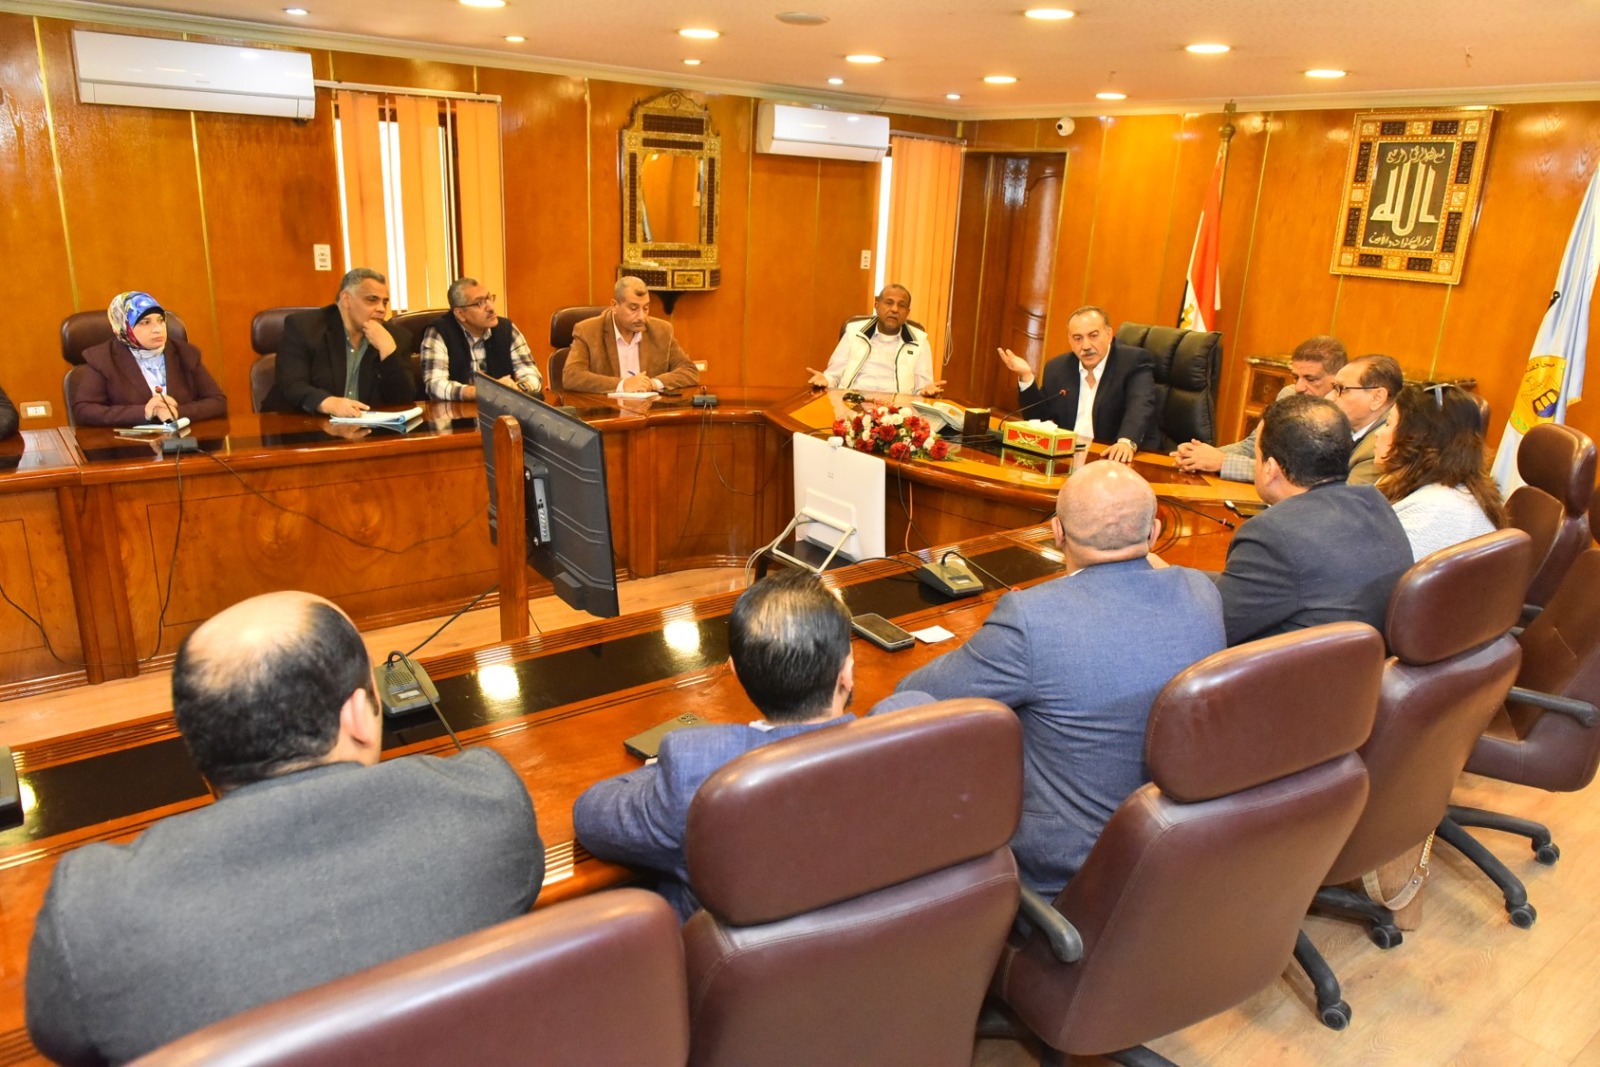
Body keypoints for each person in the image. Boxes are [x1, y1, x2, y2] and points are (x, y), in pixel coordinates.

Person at [25, 591, 544, 1064]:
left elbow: (63, 1037)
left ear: (200, 750)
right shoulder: (487, 808)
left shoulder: (92, 913)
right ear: (358, 716)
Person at [892, 463, 1225, 897]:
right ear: (1154, 532)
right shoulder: (1201, 591)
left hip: (1068, 876)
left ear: (1057, 532)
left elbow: (921, 695)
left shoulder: (1032, 618)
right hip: (1179, 854)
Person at [574, 569, 859, 920]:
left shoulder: (695, 770)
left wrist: (658, 774)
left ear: (736, 672)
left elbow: (590, 815)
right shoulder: (909, 738)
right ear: (847, 673)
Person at [1213, 394, 1413, 646]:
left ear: (1270, 468)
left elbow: (1211, 628)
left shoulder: (1273, 534)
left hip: (1283, 668)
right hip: (1360, 664)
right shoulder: (1375, 504)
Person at [996, 305, 1158, 463]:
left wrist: (1126, 442)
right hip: (1068, 457)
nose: (1085, 346)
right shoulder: (1057, 368)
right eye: (1078, 338)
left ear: (1109, 335)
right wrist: (1026, 376)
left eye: (1093, 335)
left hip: (1113, 457)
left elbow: (1140, 405)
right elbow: (1038, 418)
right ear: (1070, 340)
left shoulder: (1133, 361)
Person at [1173, 335, 1347, 480]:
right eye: (1296, 377)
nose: (1299, 387)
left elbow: (1300, 476)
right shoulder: (1289, 395)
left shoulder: (1346, 416)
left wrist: (1223, 462)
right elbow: (1254, 446)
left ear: (1338, 379)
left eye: (1311, 379)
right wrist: (1199, 456)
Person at [1374, 384, 1508, 560]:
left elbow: (1373, 568)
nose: (1378, 433)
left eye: (1388, 423)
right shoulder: (1413, 483)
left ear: (1416, 438)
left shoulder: (1437, 510)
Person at [265, 268, 417, 416]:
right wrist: (328, 403)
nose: (382, 309)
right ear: (346, 299)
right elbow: (291, 384)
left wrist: (388, 351)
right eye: (372, 300)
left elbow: (404, 399)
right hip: (302, 423)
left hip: (366, 428)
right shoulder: (305, 328)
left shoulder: (396, 337)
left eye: (385, 302)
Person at [70, 291, 227, 428]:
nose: (157, 329)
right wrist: (145, 412)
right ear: (124, 327)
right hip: (128, 447)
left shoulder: (185, 353)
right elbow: (84, 411)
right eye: (145, 322)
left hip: (184, 444)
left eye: (160, 320)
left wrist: (177, 412)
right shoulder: (103, 358)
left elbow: (217, 402)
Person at [563, 276, 700, 393]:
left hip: (649, 412)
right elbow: (572, 376)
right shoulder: (588, 331)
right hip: (607, 411)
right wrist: (623, 385)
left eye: (646, 308)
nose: (641, 317)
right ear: (614, 306)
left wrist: (652, 383)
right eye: (633, 308)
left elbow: (689, 371)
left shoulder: (662, 331)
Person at [807, 283, 944, 396]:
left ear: (907, 312)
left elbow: (922, 388)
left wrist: (926, 390)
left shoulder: (919, 341)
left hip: (897, 410)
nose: (894, 309)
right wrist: (825, 380)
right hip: (851, 402)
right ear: (876, 304)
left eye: (901, 305)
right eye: (889, 303)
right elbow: (834, 375)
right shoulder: (854, 331)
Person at [419, 277, 543, 401]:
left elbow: (530, 372)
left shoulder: (506, 329)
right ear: (460, 313)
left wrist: (518, 388)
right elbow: (435, 385)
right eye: (479, 303)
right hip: (457, 411)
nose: (491, 308)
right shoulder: (439, 332)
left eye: (489, 298)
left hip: (501, 409)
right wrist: (482, 392)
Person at [1331, 353, 1403, 485]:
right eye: (1334, 388)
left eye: (1341, 389)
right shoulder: (1343, 429)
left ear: (1377, 398)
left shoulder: (1382, 448)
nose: (1330, 398)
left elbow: (1343, 497)